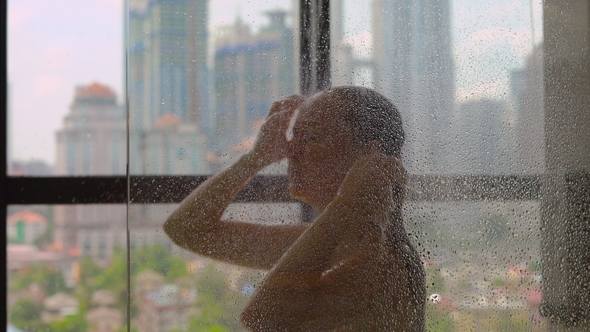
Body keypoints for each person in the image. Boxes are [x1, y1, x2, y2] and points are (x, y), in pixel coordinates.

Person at [163, 86, 426, 331]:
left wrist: (344, 207)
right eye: (293, 135)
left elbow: (263, 318)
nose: (291, 151)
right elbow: (187, 231)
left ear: (369, 157)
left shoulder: (382, 264)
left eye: (311, 137)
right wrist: (255, 159)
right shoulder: (339, 244)